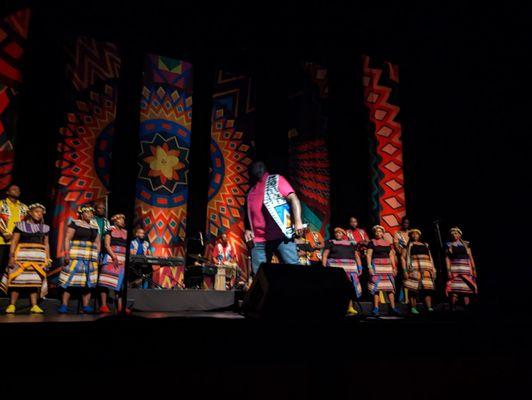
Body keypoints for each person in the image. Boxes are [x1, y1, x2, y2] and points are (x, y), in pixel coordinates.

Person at [244, 161, 304, 274]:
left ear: (264, 168)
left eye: (259, 166)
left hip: (280, 235)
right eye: (254, 167)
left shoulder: (276, 179)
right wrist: (247, 229)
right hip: (258, 239)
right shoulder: (250, 191)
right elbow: (248, 213)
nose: (257, 169)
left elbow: (294, 198)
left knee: (293, 268)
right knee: (260, 274)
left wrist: (298, 221)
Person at [1, 203, 50, 314]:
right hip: (21, 258)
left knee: (34, 283)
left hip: (37, 259)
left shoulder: (45, 228)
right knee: (17, 282)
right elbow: (14, 242)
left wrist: (48, 258)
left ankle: (34, 305)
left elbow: (46, 244)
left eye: (41, 212)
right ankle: (12, 305)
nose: (39, 214)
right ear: (30, 212)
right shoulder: (20, 226)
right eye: (37, 212)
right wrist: (11, 257)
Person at [58, 206, 100, 313]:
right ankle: (64, 305)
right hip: (76, 255)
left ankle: (85, 306)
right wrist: (67, 254)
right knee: (70, 281)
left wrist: (97, 255)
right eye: (88, 212)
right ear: (82, 214)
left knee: (88, 283)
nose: (90, 214)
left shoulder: (94, 226)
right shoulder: (75, 223)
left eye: (91, 212)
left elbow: (97, 242)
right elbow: (67, 238)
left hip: (90, 257)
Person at [322, 227, 363, 315]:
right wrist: (324, 267)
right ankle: (334, 308)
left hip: (350, 269)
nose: (338, 234)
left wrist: (360, 267)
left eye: (340, 233)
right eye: (336, 233)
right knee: (335, 288)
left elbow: (357, 256)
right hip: (335, 269)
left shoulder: (351, 244)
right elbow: (325, 255)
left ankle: (350, 307)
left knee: (350, 288)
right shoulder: (331, 243)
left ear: (343, 234)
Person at [98, 214, 130, 314]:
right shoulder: (110, 230)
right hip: (111, 257)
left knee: (120, 284)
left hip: (123, 258)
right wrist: (113, 256)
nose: (123, 221)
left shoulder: (126, 232)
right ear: (115, 221)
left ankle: (120, 306)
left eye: (123, 219)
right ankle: (103, 305)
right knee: (106, 281)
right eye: (121, 219)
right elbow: (107, 245)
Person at [401, 229, 437, 314]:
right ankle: (413, 307)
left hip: (426, 268)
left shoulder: (425, 245)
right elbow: (402, 258)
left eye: (416, 234)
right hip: (414, 268)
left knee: (427, 289)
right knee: (413, 288)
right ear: (410, 236)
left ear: (419, 235)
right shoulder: (408, 246)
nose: (415, 235)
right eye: (413, 234)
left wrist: (433, 268)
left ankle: (429, 307)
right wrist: (405, 270)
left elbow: (430, 257)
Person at [367, 225, 399, 316]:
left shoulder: (387, 243)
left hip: (387, 267)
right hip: (377, 266)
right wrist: (369, 267)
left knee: (390, 288)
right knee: (377, 289)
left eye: (380, 231)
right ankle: (376, 308)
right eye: (376, 231)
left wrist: (394, 267)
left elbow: (391, 256)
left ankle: (393, 308)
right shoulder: (372, 242)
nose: (378, 233)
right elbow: (369, 255)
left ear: (382, 233)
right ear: (374, 233)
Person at [445, 227, 477, 309]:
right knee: (454, 290)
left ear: (459, 234)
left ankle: (467, 309)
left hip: (466, 269)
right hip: (455, 268)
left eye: (456, 233)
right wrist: (448, 270)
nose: (454, 235)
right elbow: (447, 258)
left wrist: (473, 269)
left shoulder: (466, 244)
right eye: (452, 234)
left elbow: (470, 257)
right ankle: (453, 308)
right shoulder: (449, 245)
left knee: (466, 291)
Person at [0, 185, 28, 276]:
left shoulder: (24, 207)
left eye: (18, 190)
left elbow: (27, 224)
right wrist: (4, 233)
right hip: (2, 242)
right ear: (7, 192)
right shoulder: (1, 203)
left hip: (18, 244)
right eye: (14, 189)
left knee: (14, 271)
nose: (17, 190)